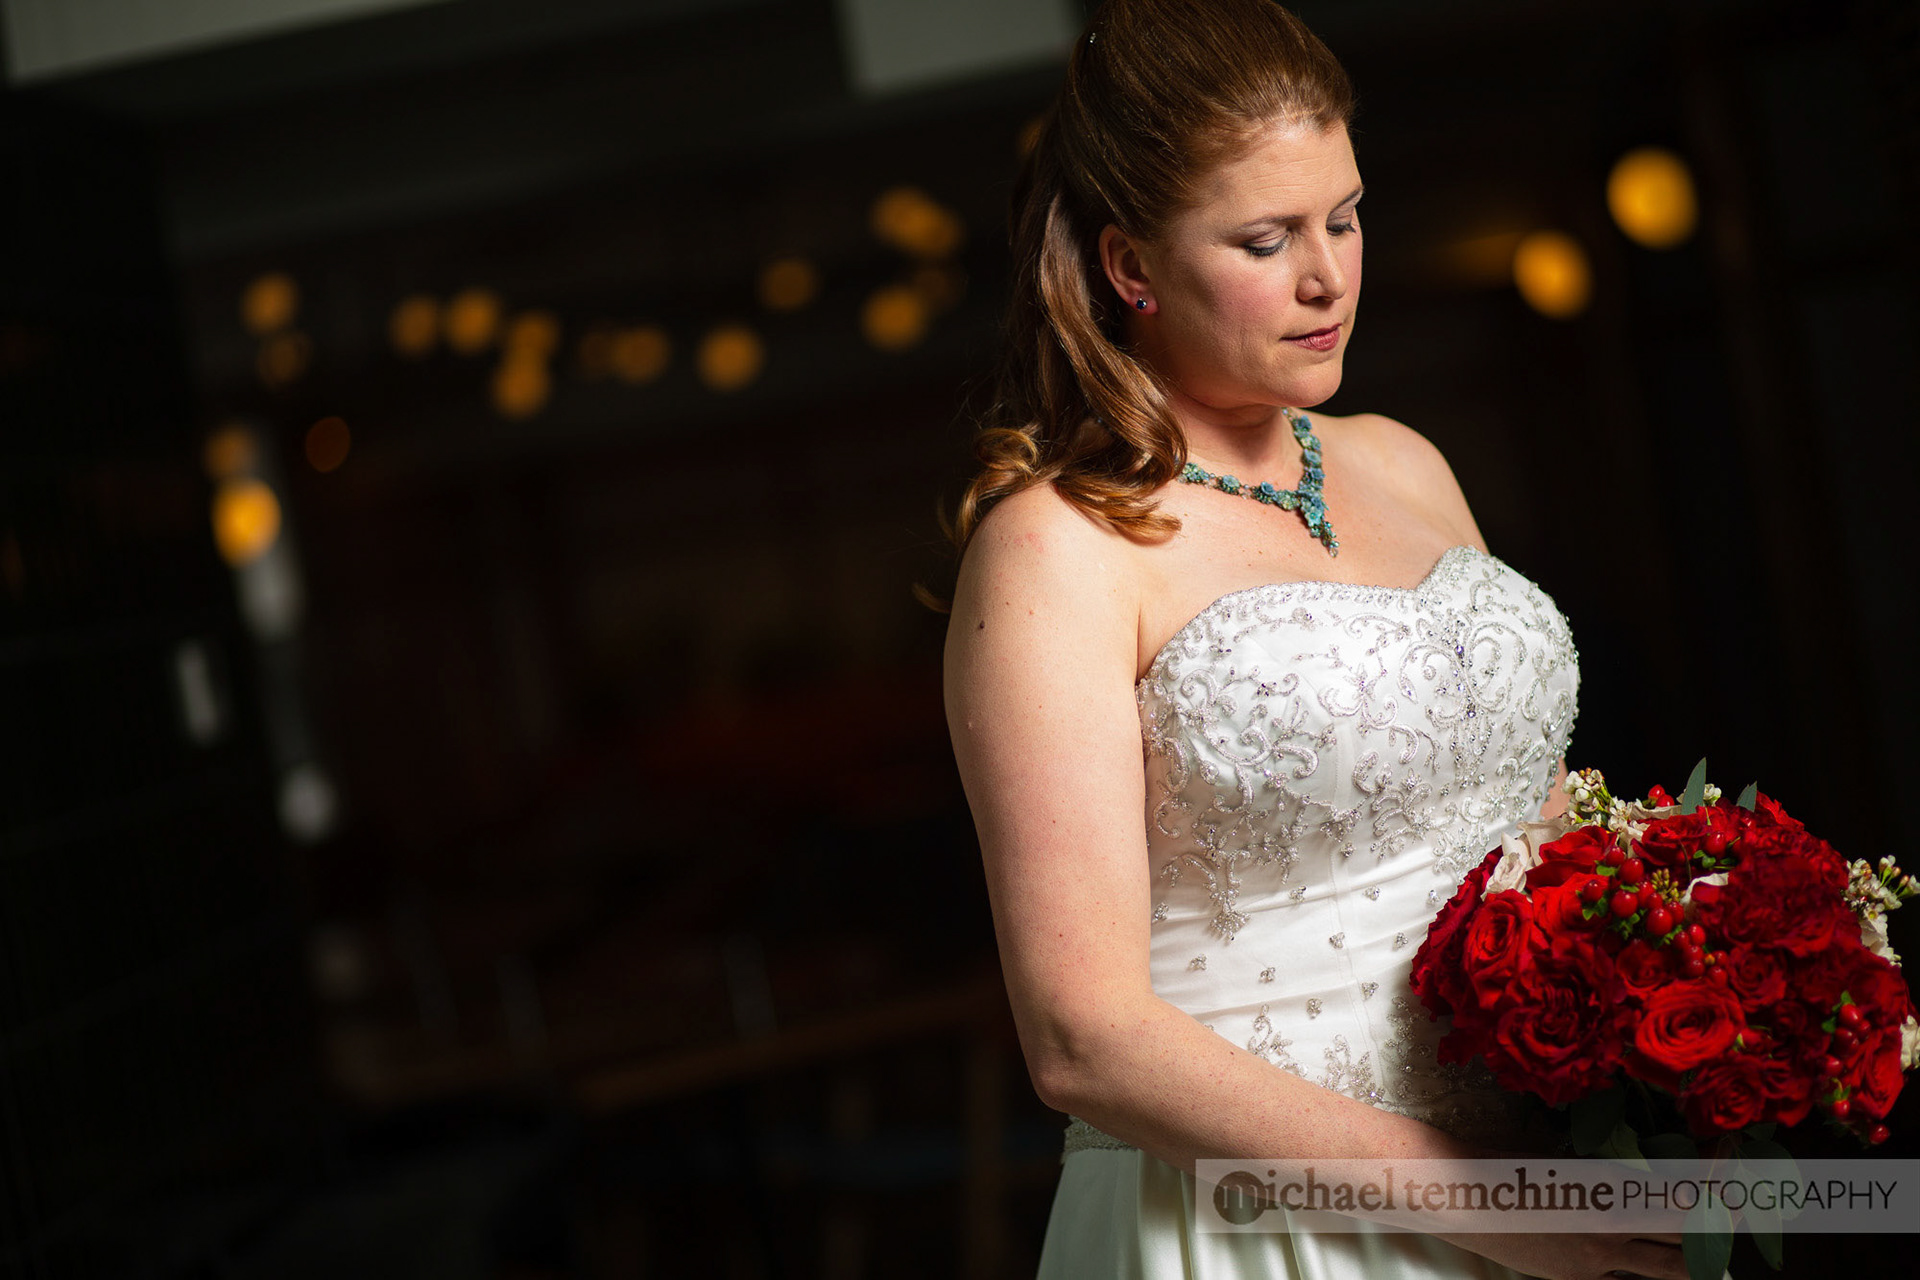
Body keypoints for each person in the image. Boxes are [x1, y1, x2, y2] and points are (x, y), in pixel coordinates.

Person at [940, 2, 1690, 1277]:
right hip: (1263, 1228)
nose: (1327, 275)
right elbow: (1082, 1036)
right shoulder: (1056, 547)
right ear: (1131, 264)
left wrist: (1700, 999)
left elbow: (1535, 829)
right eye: (1265, 238)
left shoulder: (1406, 462)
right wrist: (1496, 1207)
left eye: (1343, 217)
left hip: (1549, 1178)